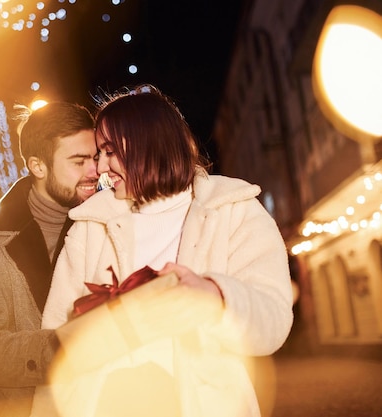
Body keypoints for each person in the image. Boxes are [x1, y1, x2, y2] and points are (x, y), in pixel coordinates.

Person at [30, 85, 294, 417]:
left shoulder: (233, 210)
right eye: (99, 154)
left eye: (109, 151)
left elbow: (273, 321)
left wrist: (215, 296)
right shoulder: (91, 225)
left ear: (147, 143)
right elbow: (56, 340)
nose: (100, 168)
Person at [0, 101, 99, 417]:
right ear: (37, 166)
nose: (95, 171)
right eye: (78, 161)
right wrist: (68, 349)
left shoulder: (107, 224)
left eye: (96, 157)